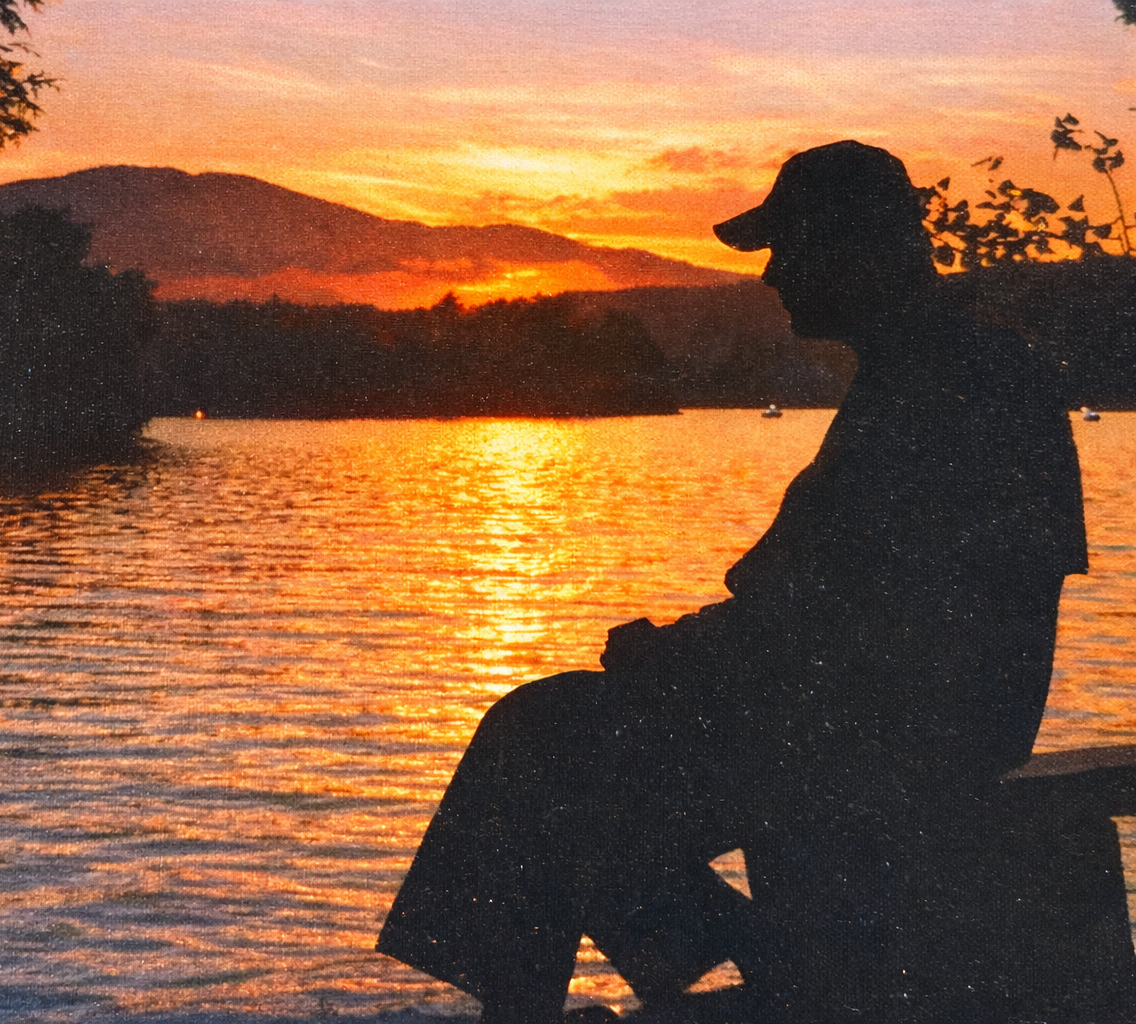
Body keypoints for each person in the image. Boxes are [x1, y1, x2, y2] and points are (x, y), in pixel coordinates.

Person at [375, 141, 1087, 1024]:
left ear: (853, 249)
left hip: (892, 740)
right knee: (555, 748)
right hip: (881, 721)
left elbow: (852, 623)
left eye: (789, 250)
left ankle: (724, 971)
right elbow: (846, 605)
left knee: (545, 743)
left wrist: (673, 659)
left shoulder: (951, 384)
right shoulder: (940, 373)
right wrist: (687, 658)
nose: (773, 276)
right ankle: (748, 965)